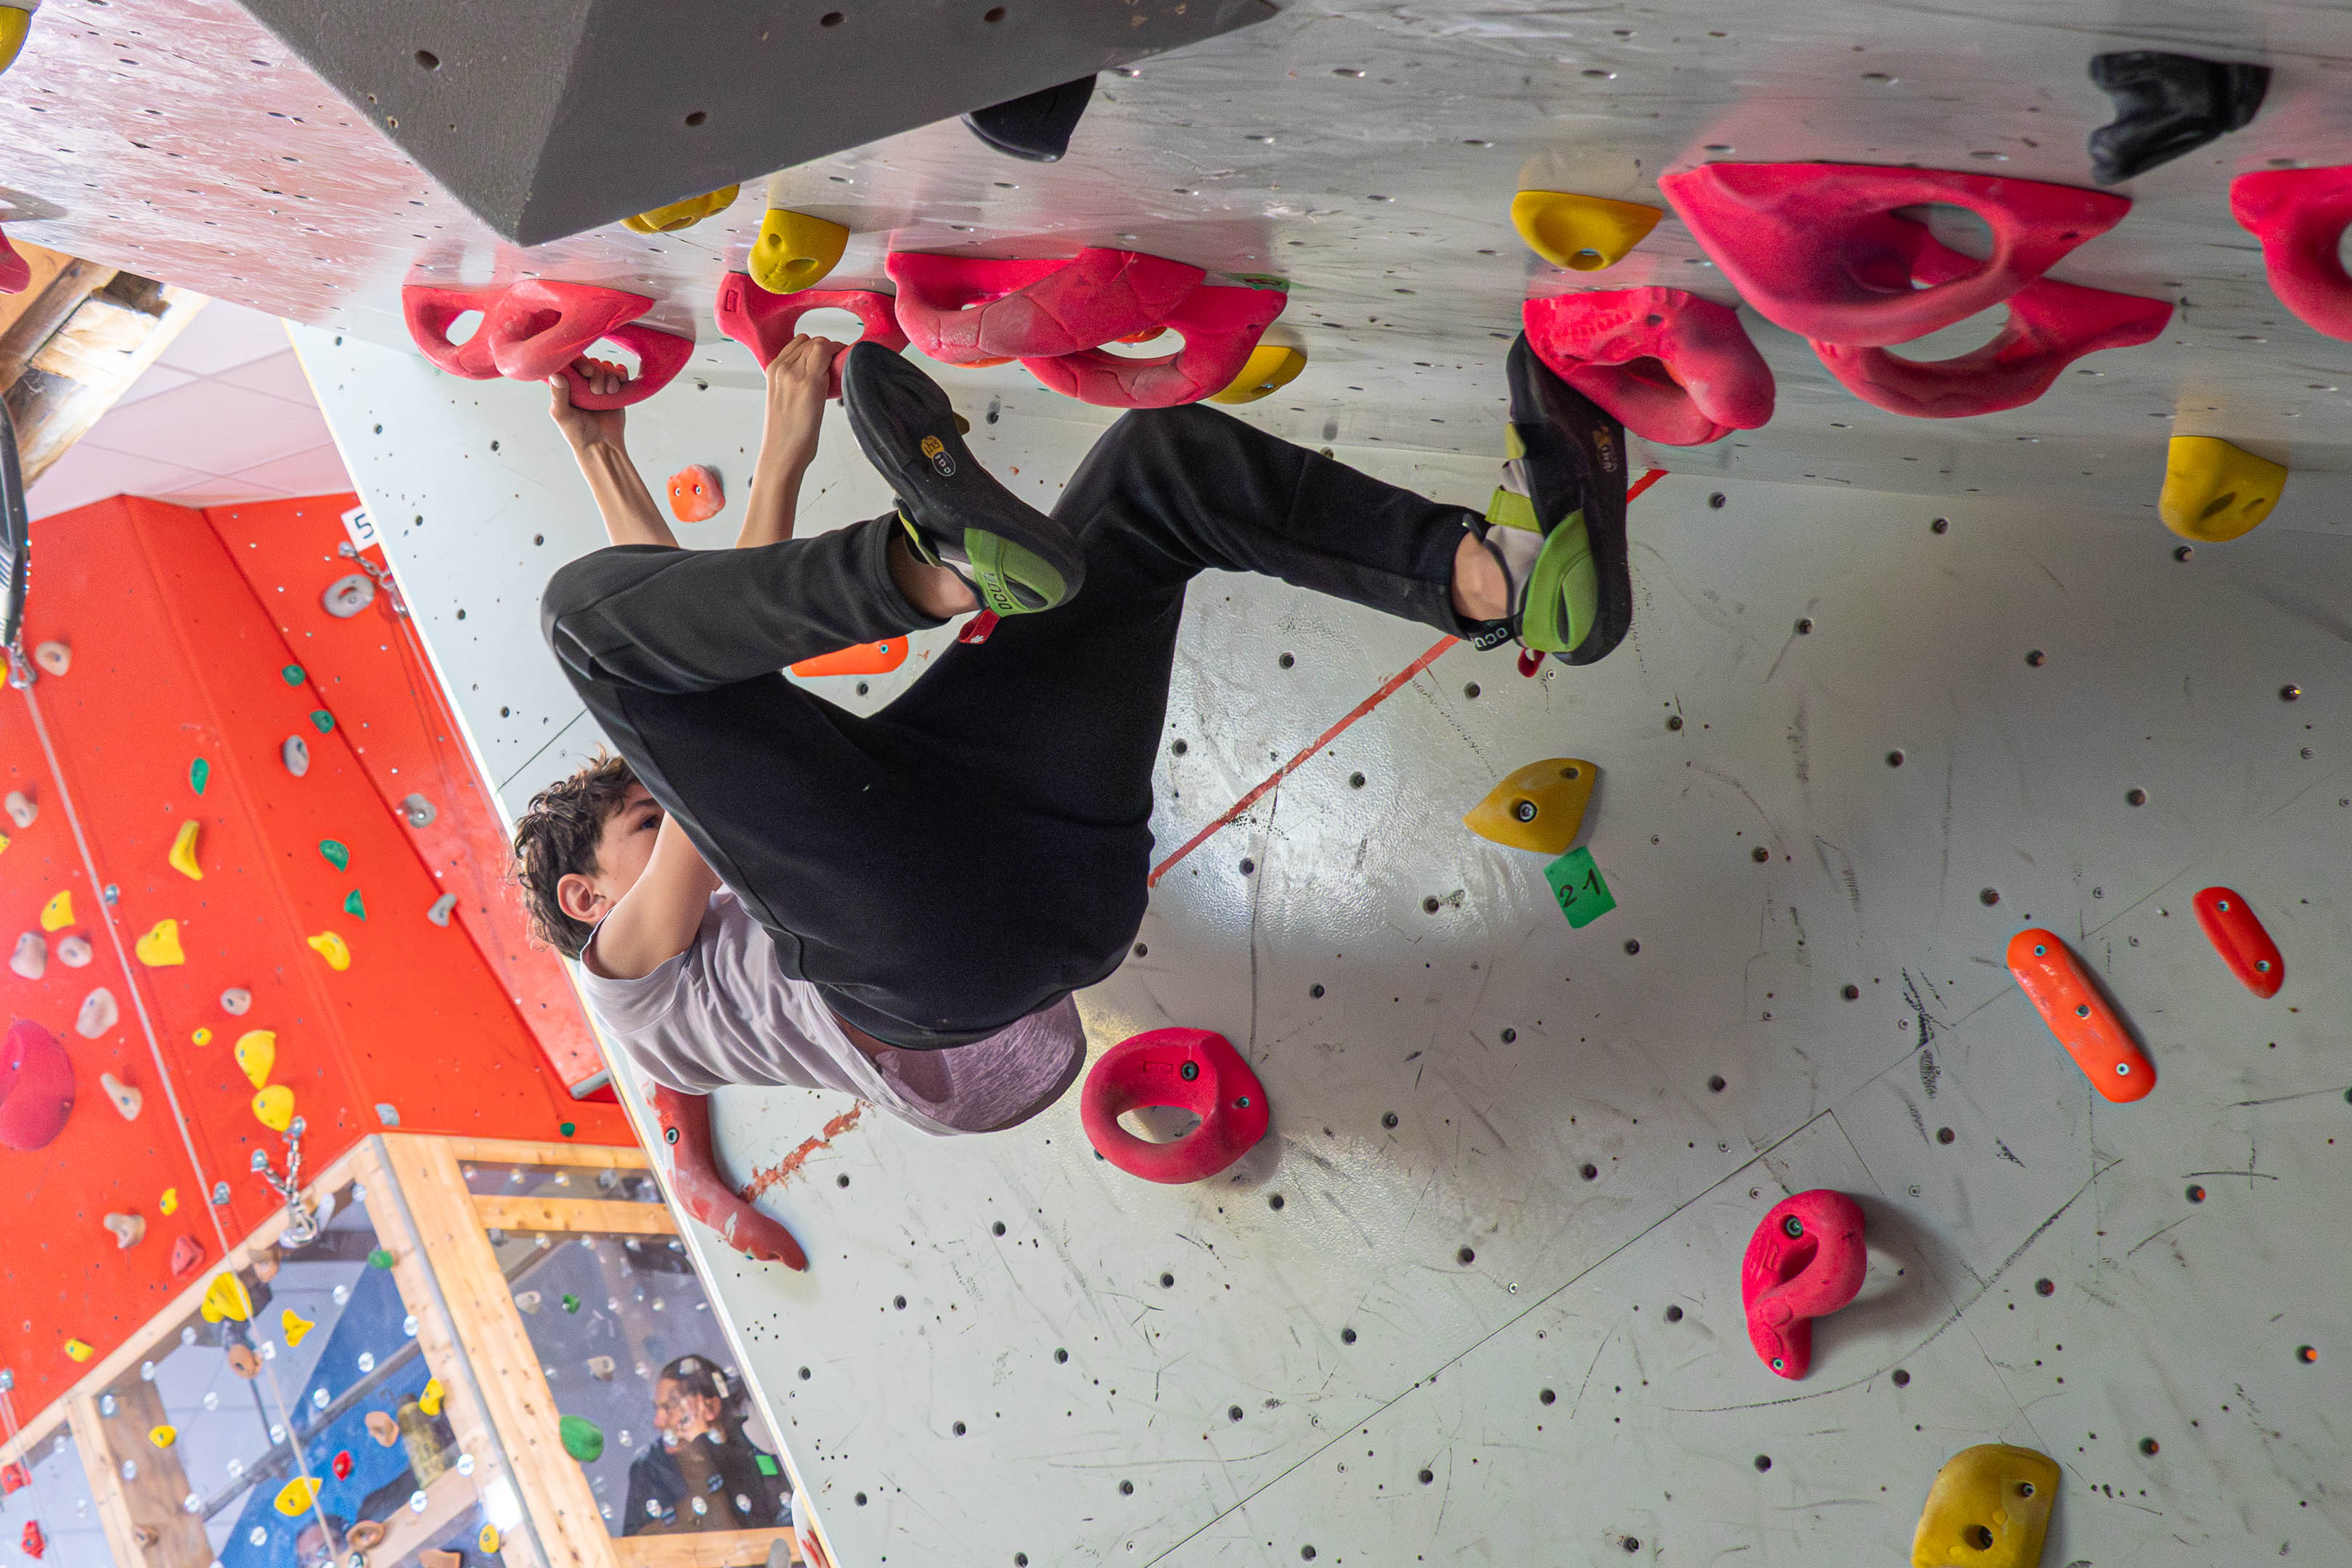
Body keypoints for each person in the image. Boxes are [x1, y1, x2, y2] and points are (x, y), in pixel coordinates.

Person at [517, 330, 1626, 1141]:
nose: (672, 805)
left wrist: (601, 450)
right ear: (583, 895)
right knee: (580, 624)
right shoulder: (629, 993)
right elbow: (701, 669)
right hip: (933, 952)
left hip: (1031, 858)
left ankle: (1502, 580)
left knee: (1157, 479)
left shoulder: (756, 875)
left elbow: (692, 629)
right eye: (642, 818)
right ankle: (934, 568)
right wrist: (785, 450)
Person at [621, 1355, 791, 1535]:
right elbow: (635, 1542)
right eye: (657, 1409)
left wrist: (701, 1446)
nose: (658, 1422)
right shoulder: (650, 1468)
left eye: (670, 1407)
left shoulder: (753, 1451)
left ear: (710, 1408)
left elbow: (762, 1521)